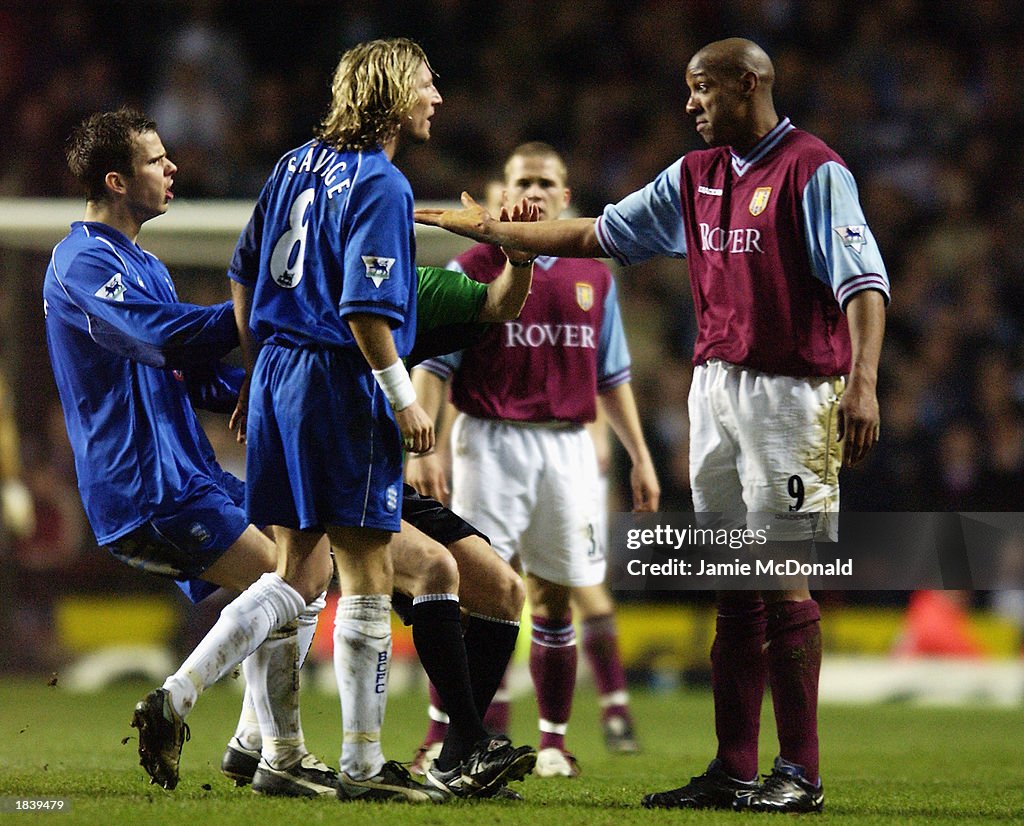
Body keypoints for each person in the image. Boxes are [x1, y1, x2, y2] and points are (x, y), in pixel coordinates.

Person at [415, 37, 889, 814]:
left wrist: (863, 382)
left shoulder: (813, 169)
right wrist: (499, 236)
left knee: (781, 577)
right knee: (733, 585)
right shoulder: (694, 176)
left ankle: (798, 771)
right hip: (716, 390)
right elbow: (593, 233)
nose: (691, 104)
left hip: (793, 394)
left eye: (703, 88)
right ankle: (735, 768)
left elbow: (864, 281)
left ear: (748, 82)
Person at [228, 37, 537, 804]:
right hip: (340, 394)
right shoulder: (380, 187)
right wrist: (404, 399)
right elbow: (367, 310)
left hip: (281, 381)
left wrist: (513, 252)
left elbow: (245, 272)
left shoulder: (293, 166)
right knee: (340, 573)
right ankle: (359, 760)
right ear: (396, 92)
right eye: (429, 83)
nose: (438, 97)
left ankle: (272, 743)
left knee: (322, 569)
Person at [43, 107, 336, 796]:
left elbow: (189, 371)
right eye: (156, 160)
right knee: (288, 579)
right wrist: (259, 308)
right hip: (144, 483)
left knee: (307, 568)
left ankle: (248, 744)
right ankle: (207, 720)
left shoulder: (143, 263)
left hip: (188, 473)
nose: (172, 167)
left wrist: (270, 389)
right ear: (117, 180)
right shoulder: (81, 262)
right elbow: (168, 337)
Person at [408, 142, 660, 778]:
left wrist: (640, 456)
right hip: (491, 439)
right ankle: (449, 736)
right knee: (477, 592)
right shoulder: (473, 264)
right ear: (502, 192)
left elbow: (613, 378)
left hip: (569, 447)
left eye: (547, 182)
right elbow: (436, 367)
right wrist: (430, 443)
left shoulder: (595, 275)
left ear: (565, 197)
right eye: (524, 180)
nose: (536, 190)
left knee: (556, 597)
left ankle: (553, 743)